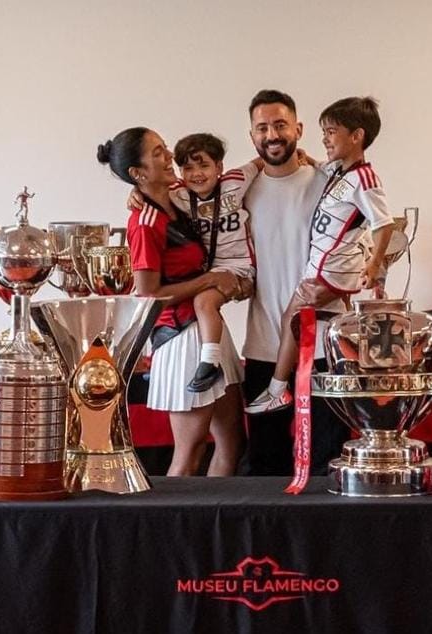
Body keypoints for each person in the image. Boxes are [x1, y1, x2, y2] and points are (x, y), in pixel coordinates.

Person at [97, 127, 246, 476]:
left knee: (232, 442)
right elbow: (148, 296)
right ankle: (175, 529)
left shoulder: (178, 202)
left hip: (208, 331)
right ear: (138, 173)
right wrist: (209, 280)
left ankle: (213, 524)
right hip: (180, 337)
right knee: (190, 449)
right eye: (159, 153)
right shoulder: (145, 221)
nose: (169, 158)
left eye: (165, 149)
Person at [245, 96, 395, 414]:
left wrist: (374, 264)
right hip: (270, 336)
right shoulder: (335, 173)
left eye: (331, 132)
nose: (325, 138)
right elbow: (321, 166)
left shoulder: (361, 178)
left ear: (356, 136)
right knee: (303, 315)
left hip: (331, 282)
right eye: (263, 127)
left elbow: (384, 224)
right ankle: (277, 385)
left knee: (293, 316)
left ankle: (276, 389)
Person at [239, 89, 350, 476]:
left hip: (322, 346)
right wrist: (137, 195)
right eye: (263, 127)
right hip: (263, 345)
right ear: (252, 135)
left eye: (281, 124)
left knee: (325, 462)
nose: (272, 134)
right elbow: (185, 195)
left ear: (298, 129)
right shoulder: (240, 190)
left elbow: (360, 249)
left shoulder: (330, 182)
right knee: (265, 466)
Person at [168, 133, 259, 393]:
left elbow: (261, 162)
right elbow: (151, 187)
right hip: (208, 270)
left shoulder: (235, 181)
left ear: (219, 167)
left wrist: (303, 157)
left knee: (202, 303)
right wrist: (134, 193)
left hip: (238, 266)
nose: (196, 174)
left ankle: (210, 363)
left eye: (204, 165)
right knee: (191, 303)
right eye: (188, 167)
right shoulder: (179, 194)